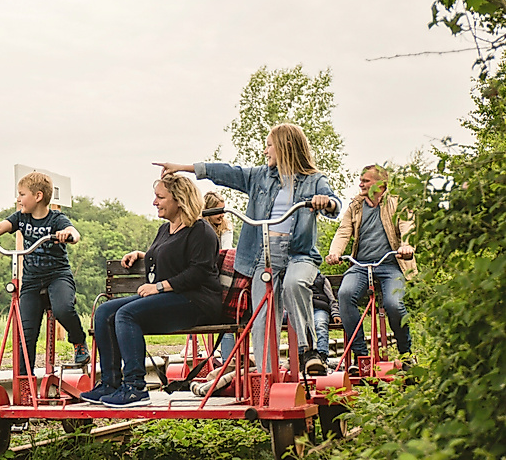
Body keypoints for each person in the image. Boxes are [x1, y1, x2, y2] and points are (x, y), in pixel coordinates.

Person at [155, 122, 341, 376]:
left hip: (299, 254)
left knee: (295, 284)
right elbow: (226, 172)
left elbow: (334, 203)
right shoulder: (259, 177)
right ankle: (267, 376)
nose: (265, 151)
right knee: (263, 317)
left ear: (285, 146)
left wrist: (326, 203)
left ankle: (309, 351)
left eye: (269, 145)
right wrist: (183, 168)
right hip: (264, 256)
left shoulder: (314, 181)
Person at [80, 174, 221, 407]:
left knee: (126, 315)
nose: (155, 202)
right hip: (170, 297)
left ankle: (135, 388)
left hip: (197, 302)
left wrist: (159, 287)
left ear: (180, 200)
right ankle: (110, 384)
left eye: (160, 197)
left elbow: (199, 272)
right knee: (104, 312)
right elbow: (171, 257)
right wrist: (143, 256)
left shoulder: (201, 231)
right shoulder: (166, 230)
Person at [0, 172, 89, 368]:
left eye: (21, 194)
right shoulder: (21, 218)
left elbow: (75, 233)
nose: (18, 199)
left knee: (63, 309)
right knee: (25, 332)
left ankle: (79, 342)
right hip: (31, 280)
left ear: (37, 196)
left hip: (57, 276)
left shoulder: (56, 219)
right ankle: (24, 381)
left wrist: (67, 234)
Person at [325, 164, 415, 367]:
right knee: (345, 295)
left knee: (393, 304)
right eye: (361, 180)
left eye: (365, 181)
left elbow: (407, 226)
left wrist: (406, 245)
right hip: (361, 265)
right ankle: (361, 357)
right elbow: (343, 231)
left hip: (390, 265)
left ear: (381, 184)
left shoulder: (397, 203)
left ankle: (405, 353)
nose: (361, 184)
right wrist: (335, 252)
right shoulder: (355, 206)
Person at [203, 191, 237, 363]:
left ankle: (228, 360)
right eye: (217, 211)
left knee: (228, 315)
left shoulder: (225, 227)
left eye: (223, 210)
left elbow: (226, 251)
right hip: (206, 273)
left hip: (219, 271)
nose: (221, 214)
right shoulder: (201, 227)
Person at [310, 273, 340, 368]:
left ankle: (322, 356)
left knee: (321, 324)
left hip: (320, 308)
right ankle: (303, 355)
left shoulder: (321, 279)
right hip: (303, 309)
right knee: (302, 327)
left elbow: (332, 299)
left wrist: (335, 313)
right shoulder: (296, 277)